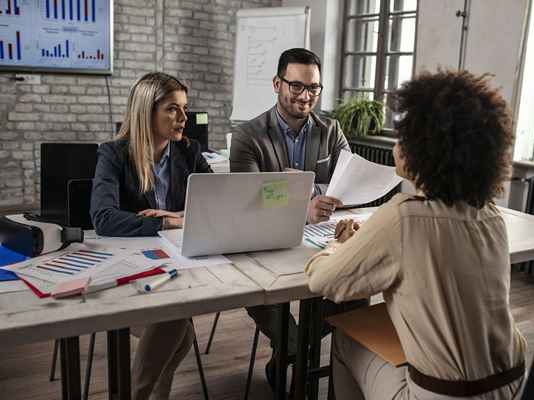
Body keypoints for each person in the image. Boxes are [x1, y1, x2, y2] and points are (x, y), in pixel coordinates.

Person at [305, 70, 527, 400]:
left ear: (424, 149)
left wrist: (336, 246)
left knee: (346, 337)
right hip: (513, 384)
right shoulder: (491, 214)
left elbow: (323, 282)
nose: (396, 145)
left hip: (446, 396)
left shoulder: (403, 215)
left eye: (402, 137)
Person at [230, 47, 364, 391]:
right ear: (277, 83)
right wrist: (304, 201)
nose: (306, 96)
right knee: (258, 291)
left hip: (318, 240)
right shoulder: (248, 135)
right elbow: (247, 195)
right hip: (263, 243)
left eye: (314, 88)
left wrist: (299, 186)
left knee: (354, 289)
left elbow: (348, 184)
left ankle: (293, 355)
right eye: (297, 86)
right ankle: (296, 352)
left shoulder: (331, 131)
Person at [90, 72, 213, 400]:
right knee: (176, 323)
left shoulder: (189, 152)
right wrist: (167, 224)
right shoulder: (113, 154)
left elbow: (216, 201)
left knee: (178, 327)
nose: (184, 118)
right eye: (173, 109)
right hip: (129, 268)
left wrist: (176, 218)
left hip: (177, 263)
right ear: (147, 112)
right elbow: (103, 218)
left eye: (184, 109)